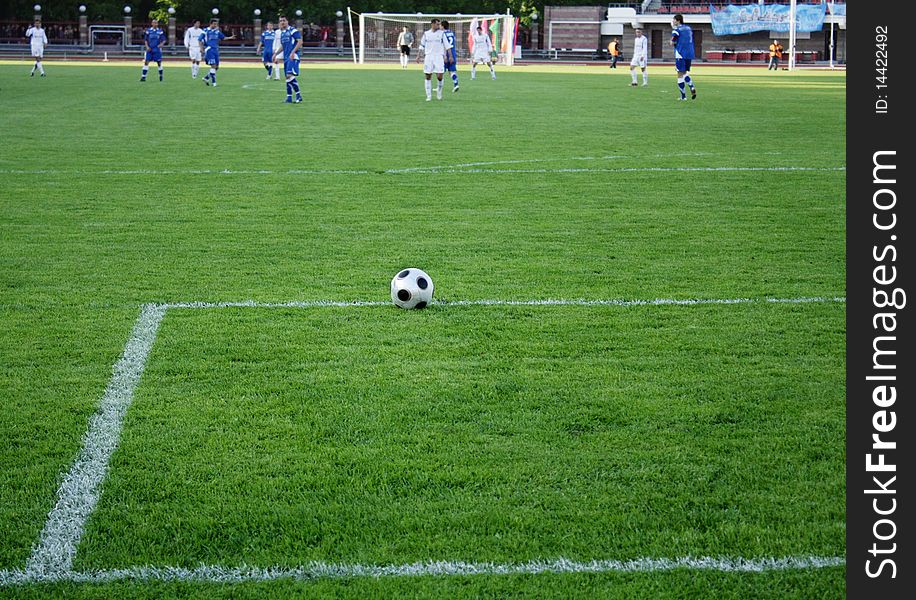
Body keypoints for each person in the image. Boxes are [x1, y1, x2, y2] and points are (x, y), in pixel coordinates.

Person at [417, 19, 452, 101]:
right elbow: (422, 45)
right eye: (437, 24)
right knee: (428, 75)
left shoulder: (442, 34)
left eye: (439, 24)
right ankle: (428, 96)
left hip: (439, 56)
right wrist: (418, 56)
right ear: (432, 24)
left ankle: (439, 92)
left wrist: (450, 56)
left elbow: (447, 45)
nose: (439, 26)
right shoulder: (426, 34)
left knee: (440, 76)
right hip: (428, 56)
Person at [273, 16, 302, 103]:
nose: (282, 22)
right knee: (287, 77)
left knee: (289, 75)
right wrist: (276, 54)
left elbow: (300, 41)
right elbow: (283, 46)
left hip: (292, 57)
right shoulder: (282, 33)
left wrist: (293, 52)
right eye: (281, 21)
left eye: (284, 20)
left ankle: (298, 95)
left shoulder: (293, 30)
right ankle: (289, 97)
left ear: (287, 21)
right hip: (286, 57)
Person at [199, 18, 235, 87]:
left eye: (216, 24)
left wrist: (230, 37)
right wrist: (201, 48)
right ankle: (214, 83)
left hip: (215, 50)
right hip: (209, 49)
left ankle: (206, 78)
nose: (215, 25)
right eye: (214, 24)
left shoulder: (217, 31)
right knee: (213, 66)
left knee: (216, 67)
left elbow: (223, 37)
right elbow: (200, 40)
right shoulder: (205, 31)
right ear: (211, 24)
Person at [670, 13, 696, 100]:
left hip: (680, 54)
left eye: (674, 19)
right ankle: (691, 87)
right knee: (684, 72)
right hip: (689, 54)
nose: (673, 21)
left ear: (678, 20)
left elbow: (673, 41)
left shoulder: (676, 30)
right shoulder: (688, 28)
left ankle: (684, 95)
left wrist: (671, 42)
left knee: (680, 74)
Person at [440, 20, 459, 92]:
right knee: (452, 71)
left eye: (440, 25)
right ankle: (456, 84)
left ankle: (439, 87)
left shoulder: (442, 34)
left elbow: (445, 45)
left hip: (446, 54)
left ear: (442, 26)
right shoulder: (452, 33)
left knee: (440, 71)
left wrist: (445, 55)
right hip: (453, 53)